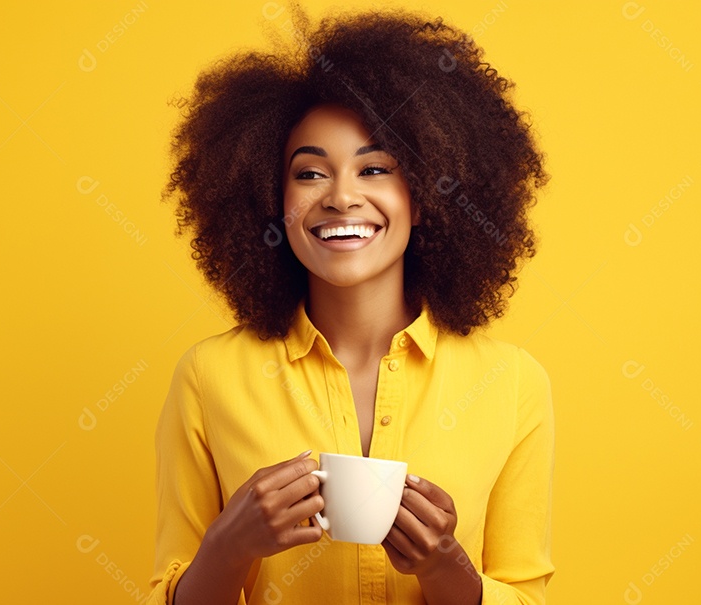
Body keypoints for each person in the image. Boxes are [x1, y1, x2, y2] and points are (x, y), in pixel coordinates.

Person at [149, 5, 553, 604]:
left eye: (375, 169)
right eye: (310, 174)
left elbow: (529, 595)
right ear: (270, 196)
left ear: (427, 188)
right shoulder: (208, 379)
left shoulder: (512, 383)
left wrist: (445, 565)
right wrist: (228, 548)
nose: (341, 197)